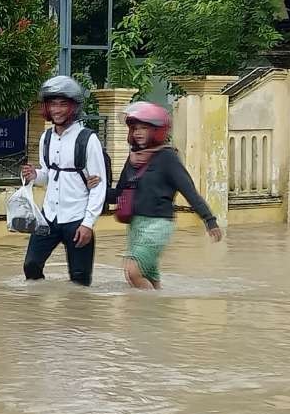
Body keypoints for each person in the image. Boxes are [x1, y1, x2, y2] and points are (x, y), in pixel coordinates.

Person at [111, 102, 224, 290]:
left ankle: (143, 314)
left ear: (156, 130)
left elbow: (188, 190)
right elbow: (118, 193)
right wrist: (89, 188)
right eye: (135, 128)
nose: (138, 132)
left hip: (158, 224)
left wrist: (209, 220)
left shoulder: (167, 157)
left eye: (144, 128)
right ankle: (158, 314)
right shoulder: (133, 159)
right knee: (150, 278)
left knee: (133, 272)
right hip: (135, 225)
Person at [20, 76, 108, 285]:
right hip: (49, 216)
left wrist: (88, 224)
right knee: (31, 266)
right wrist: (35, 175)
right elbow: (49, 175)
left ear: (73, 107)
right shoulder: (46, 138)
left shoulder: (88, 139)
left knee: (80, 281)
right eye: (52, 104)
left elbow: (99, 184)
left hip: (77, 218)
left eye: (62, 104)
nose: (56, 110)